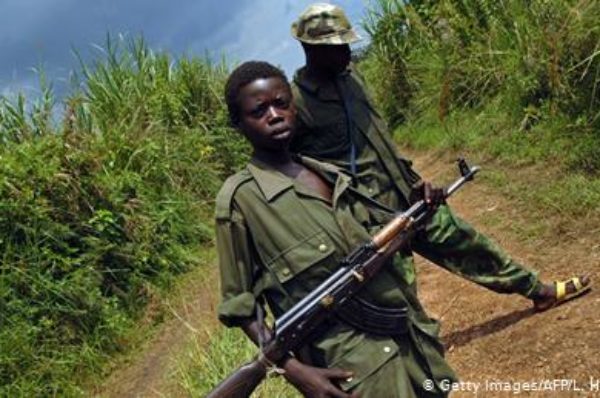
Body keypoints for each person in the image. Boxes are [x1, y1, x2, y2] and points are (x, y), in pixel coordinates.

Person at [288, 3, 590, 312]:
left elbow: (382, 141)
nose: (346, 53)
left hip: (412, 197)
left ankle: (538, 290)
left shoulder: (353, 78)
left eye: (346, 44)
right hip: (369, 223)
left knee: (469, 243)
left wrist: (416, 180)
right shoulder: (294, 104)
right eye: (335, 48)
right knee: (398, 303)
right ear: (308, 47)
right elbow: (296, 175)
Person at [216, 61, 459, 397]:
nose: (274, 115)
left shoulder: (326, 172)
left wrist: (417, 207)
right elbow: (240, 305)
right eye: (259, 110)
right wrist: (294, 371)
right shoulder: (240, 201)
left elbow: (377, 239)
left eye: (282, 103)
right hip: (352, 368)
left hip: (407, 338)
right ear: (237, 123)